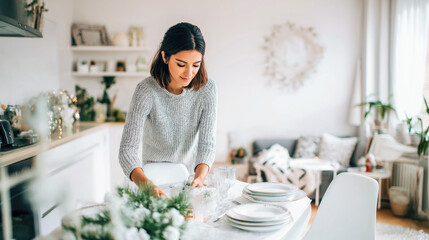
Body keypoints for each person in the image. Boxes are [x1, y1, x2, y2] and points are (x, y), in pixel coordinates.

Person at [119, 22, 217, 197]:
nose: (189, 72)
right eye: (181, 64)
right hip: (150, 179)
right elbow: (127, 149)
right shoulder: (146, 90)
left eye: (196, 64)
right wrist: (147, 185)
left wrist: (199, 178)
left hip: (188, 179)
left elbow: (207, 145)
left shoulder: (207, 90)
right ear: (165, 57)